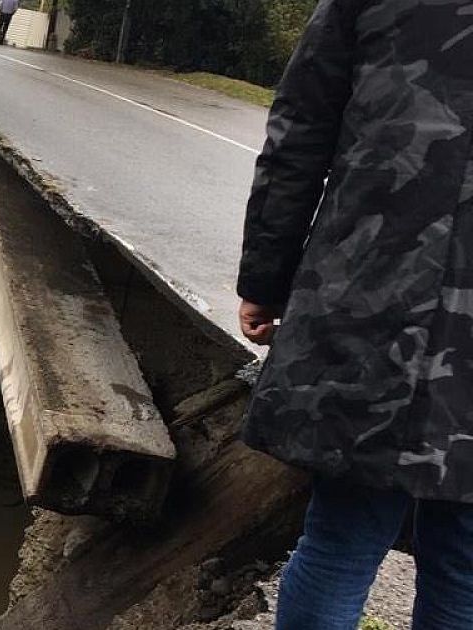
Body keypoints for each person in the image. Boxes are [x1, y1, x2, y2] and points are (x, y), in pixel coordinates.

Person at [237, 0, 473, 628]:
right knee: (465, 564)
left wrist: (266, 278)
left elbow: (300, 132)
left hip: (369, 300)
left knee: (341, 538)